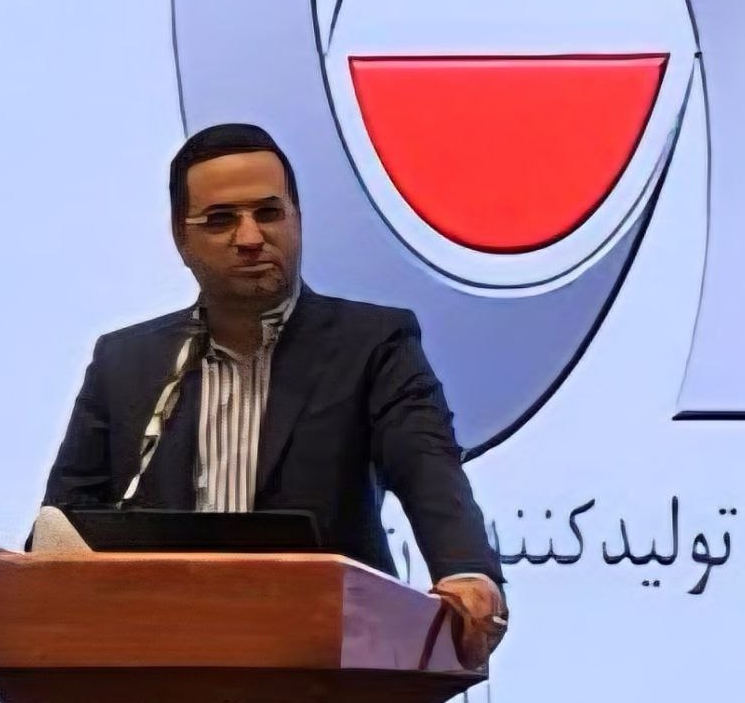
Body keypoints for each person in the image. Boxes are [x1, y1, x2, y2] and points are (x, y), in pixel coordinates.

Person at [39, 123, 506, 667]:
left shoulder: (373, 346)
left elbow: (428, 468)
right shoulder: (125, 363)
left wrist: (465, 570)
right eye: (220, 220)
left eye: (268, 213)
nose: (250, 237)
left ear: (297, 220)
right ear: (181, 238)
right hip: (161, 660)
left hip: (328, 662)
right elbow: (59, 529)